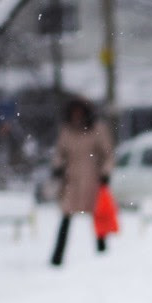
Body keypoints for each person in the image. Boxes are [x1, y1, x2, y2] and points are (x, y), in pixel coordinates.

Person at [50, 96, 114, 266]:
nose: (76, 116)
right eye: (73, 113)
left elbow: (108, 155)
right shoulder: (67, 131)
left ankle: (103, 255)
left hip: (92, 180)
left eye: (80, 112)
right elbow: (59, 153)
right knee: (66, 217)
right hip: (71, 181)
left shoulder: (97, 130)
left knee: (97, 217)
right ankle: (57, 257)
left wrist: (105, 174)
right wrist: (57, 166)